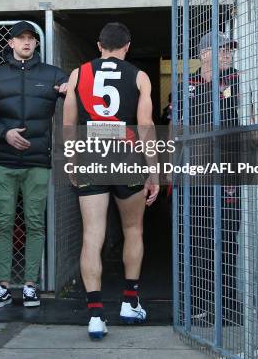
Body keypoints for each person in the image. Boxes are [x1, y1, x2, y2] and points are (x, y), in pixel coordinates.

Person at [63, 22, 159, 340]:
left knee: (92, 234)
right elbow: (144, 124)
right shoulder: (139, 76)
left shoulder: (78, 74)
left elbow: (69, 124)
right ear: (127, 47)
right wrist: (154, 171)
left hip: (92, 153)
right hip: (127, 154)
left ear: (99, 45)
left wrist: (71, 161)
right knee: (134, 229)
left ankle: (94, 315)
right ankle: (130, 303)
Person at [0, 21, 67, 308]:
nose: (26, 43)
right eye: (20, 38)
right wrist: (5, 133)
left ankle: (30, 285)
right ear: (10, 43)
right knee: (3, 222)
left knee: (35, 222)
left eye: (31, 38)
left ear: (36, 44)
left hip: (38, 162)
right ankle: (2, 286)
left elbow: (78, 89)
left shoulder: (52, 74)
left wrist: (69, 87)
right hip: (3, 161)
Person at [176, 31, 241, 326]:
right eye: (221, 49)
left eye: (229, 49)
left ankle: (227, 306)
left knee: (227, 238)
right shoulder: (185, 86)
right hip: (195, 175)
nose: (227, 53)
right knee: (198, 241)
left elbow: (231, 119)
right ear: (203, 54)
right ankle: (202, 304)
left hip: (228, 173)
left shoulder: (238, 80)